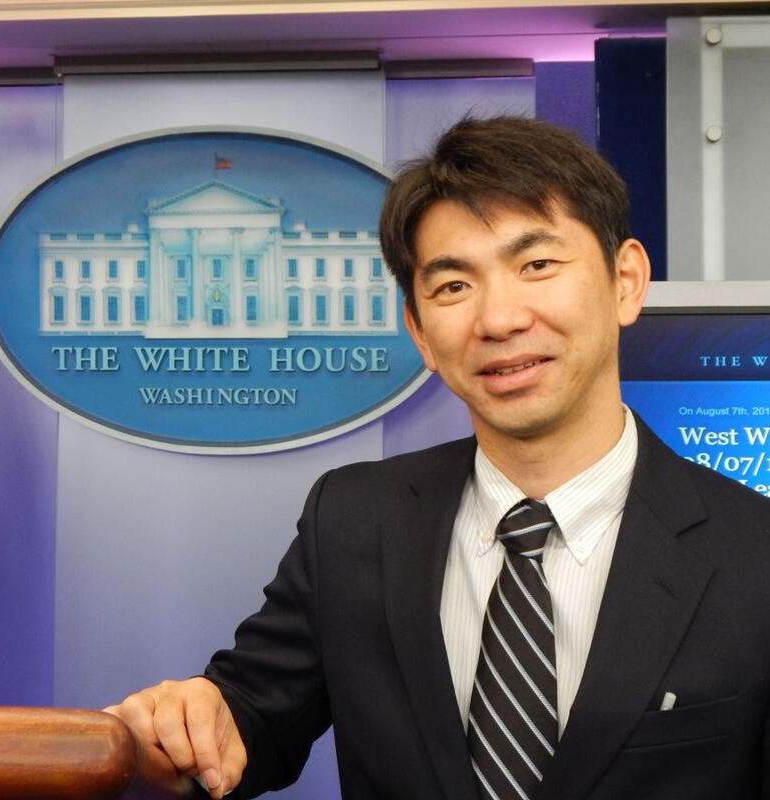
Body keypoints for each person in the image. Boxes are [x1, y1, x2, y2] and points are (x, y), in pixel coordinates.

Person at [106, 117, 770, 799]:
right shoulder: (355, 519)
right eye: (453, 286)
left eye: (535, 265)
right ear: (418, 331)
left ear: (625, 280)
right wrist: (185, 725)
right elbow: (252, 719)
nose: (499, 319)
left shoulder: (755, 553)